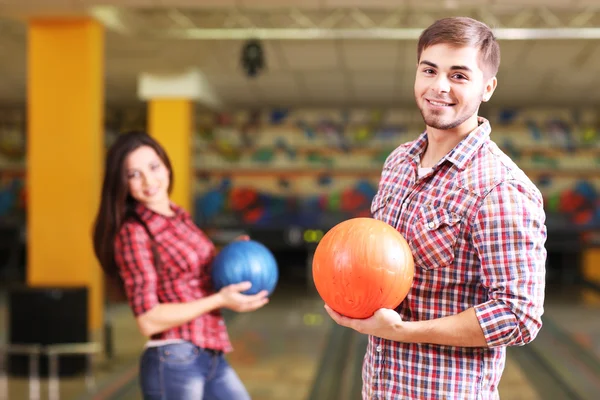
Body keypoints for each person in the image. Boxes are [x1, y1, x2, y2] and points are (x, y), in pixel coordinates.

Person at [324, 16, 547, 399]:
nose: (438, 86)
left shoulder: (500, 187)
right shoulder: (398, 162)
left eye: (459, 75)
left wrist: (404, 332)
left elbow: (519, 317)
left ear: (487, 87)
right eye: (429, 70)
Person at [93, 131, 269, 400]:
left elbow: (193, 275)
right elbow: (148, 319)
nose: (148, 180)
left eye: (153, 167)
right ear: (122, 183)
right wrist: (219, 300)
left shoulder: (178, 216)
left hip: (209, 352)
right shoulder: (134, 232)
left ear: (166, 165)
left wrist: (232, 255)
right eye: (133, 174)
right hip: (174, 357)